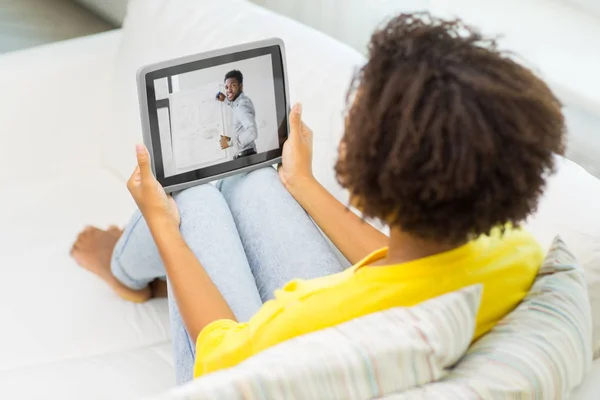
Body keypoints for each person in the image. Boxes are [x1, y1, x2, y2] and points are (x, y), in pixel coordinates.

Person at [70, 13, 565, 384]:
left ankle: (124, 269)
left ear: (371, 173)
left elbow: (220, 356)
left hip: (244, 370)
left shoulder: (310, 316)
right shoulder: (515, 253)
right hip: (371, 309)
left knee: (193, 199)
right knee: (253, 178)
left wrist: (163, 227)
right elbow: (405, 259)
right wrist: (303, 182)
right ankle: (141, 264)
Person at [215, 69, 258, 159]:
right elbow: (236, 108)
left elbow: (252, 132)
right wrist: (225, 100)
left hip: (246, 157)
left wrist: (230, 142)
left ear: (241, 86)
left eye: (233, 85)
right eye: (226, 87)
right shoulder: (241, 102)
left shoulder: (242, 106)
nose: (229, 90)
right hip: (246, 155)